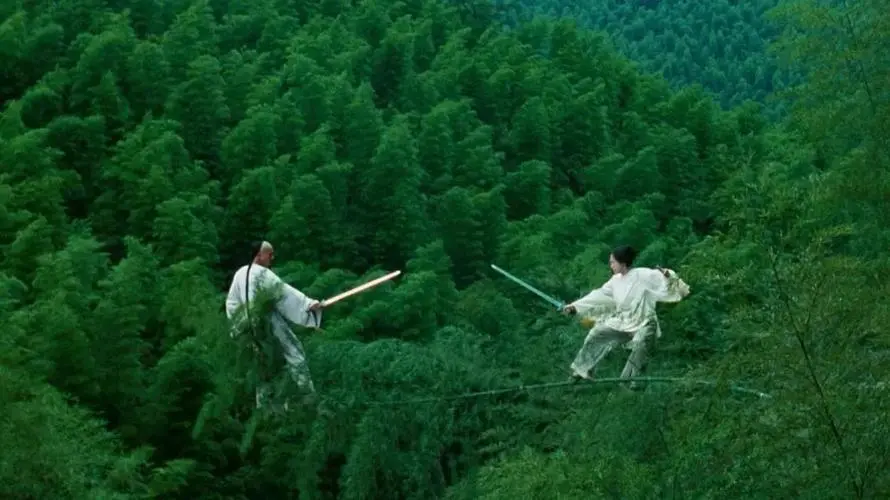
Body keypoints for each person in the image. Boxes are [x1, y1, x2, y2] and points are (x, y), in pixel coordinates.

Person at [561, 245, 690, 387]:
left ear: (622, 263)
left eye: (613, 262)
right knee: (597, 333)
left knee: (641, 343)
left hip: (644, 321)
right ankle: (582, 369)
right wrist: (575, 306)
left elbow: (665, 277)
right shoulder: (615, 281)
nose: (611, 265)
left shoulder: (642, 275)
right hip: (623, 321)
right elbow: (598, 295)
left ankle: (630, 379)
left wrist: (668, 275)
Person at [225, 240, 325, 411]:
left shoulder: (240, 273)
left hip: (247, 326)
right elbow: (284, 293)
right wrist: (308, 304)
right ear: (259, 255)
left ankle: (264, 407)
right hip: (266, 320)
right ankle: (307, 394)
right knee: (294, 351)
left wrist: (238, 326)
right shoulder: (263, 273)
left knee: (261, 363)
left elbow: (231, 303)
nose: (272, 258)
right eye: (269, 254)